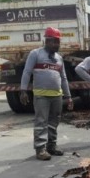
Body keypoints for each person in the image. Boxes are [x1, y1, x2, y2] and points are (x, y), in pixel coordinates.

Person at [20, 27, 73, 161]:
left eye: (58, 42)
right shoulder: (35, 54)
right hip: (41, 96)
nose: (57, 45)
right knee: (41, 122)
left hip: (57, 96)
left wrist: (68, 96)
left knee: (54, 122)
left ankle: (51, 146)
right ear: (47, 41)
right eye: (54, 42)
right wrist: (23, 90)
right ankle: (40, 149)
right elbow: (26, 72)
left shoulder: (59, 58)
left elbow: (64, 78)